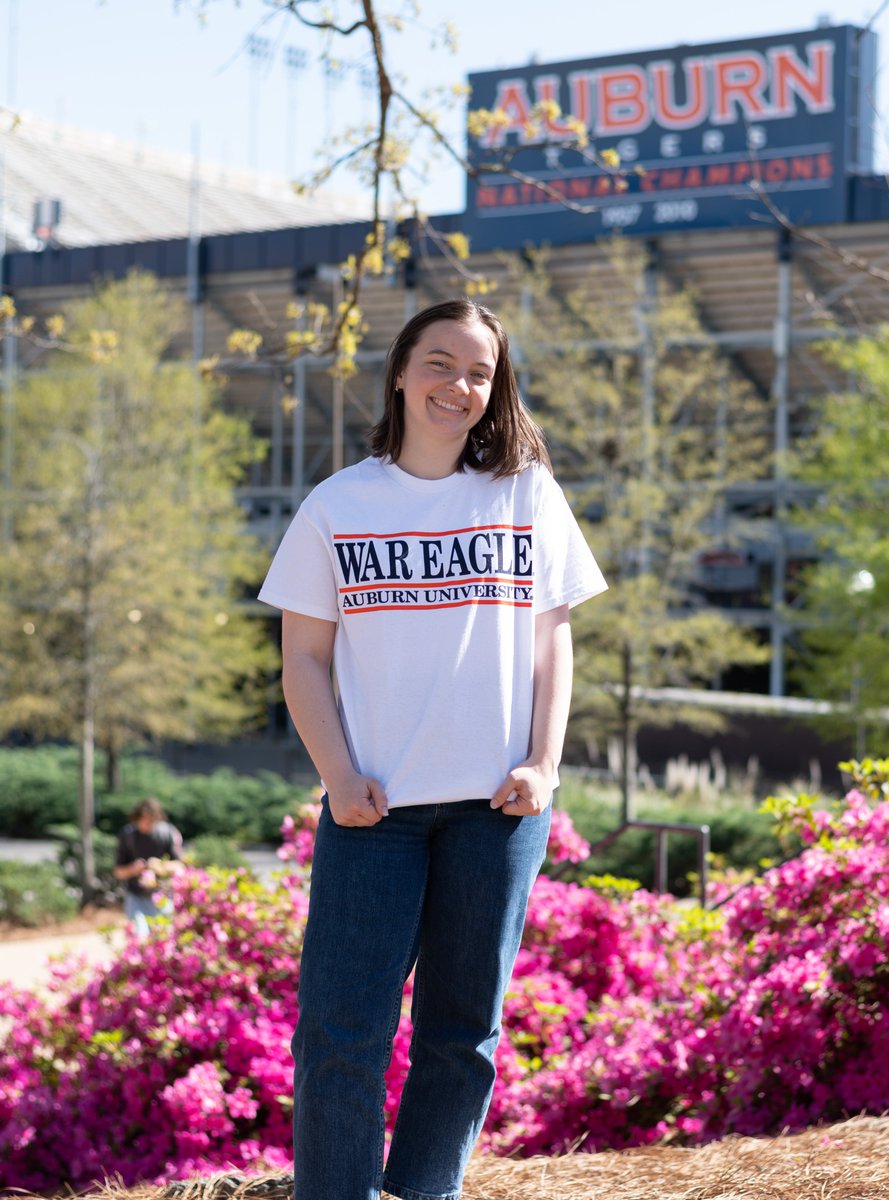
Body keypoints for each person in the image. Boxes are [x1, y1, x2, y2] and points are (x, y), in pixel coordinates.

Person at [258, 298, 607, 1200]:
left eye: (481, 372)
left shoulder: (525, 491)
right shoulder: (340, 504)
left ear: (497, 391)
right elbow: (303, 657)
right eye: (441, 363)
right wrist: (338, 777)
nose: (460, 385)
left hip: (496, 812)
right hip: (374, 814)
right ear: (403, 371)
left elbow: (551, 641)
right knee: (341, 1034)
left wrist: (545, 764)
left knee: (463, 1036)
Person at [113, 796, 183, 937]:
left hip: (162, 896)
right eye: (144, 821)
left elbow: (180, 866)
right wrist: (133, 869)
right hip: (136, 896)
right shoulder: (128, 835)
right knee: (139, 937)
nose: (147, 825)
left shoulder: (167, 833)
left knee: (163, 938)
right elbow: (118, 872)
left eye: (151, 822)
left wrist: (160, 866)